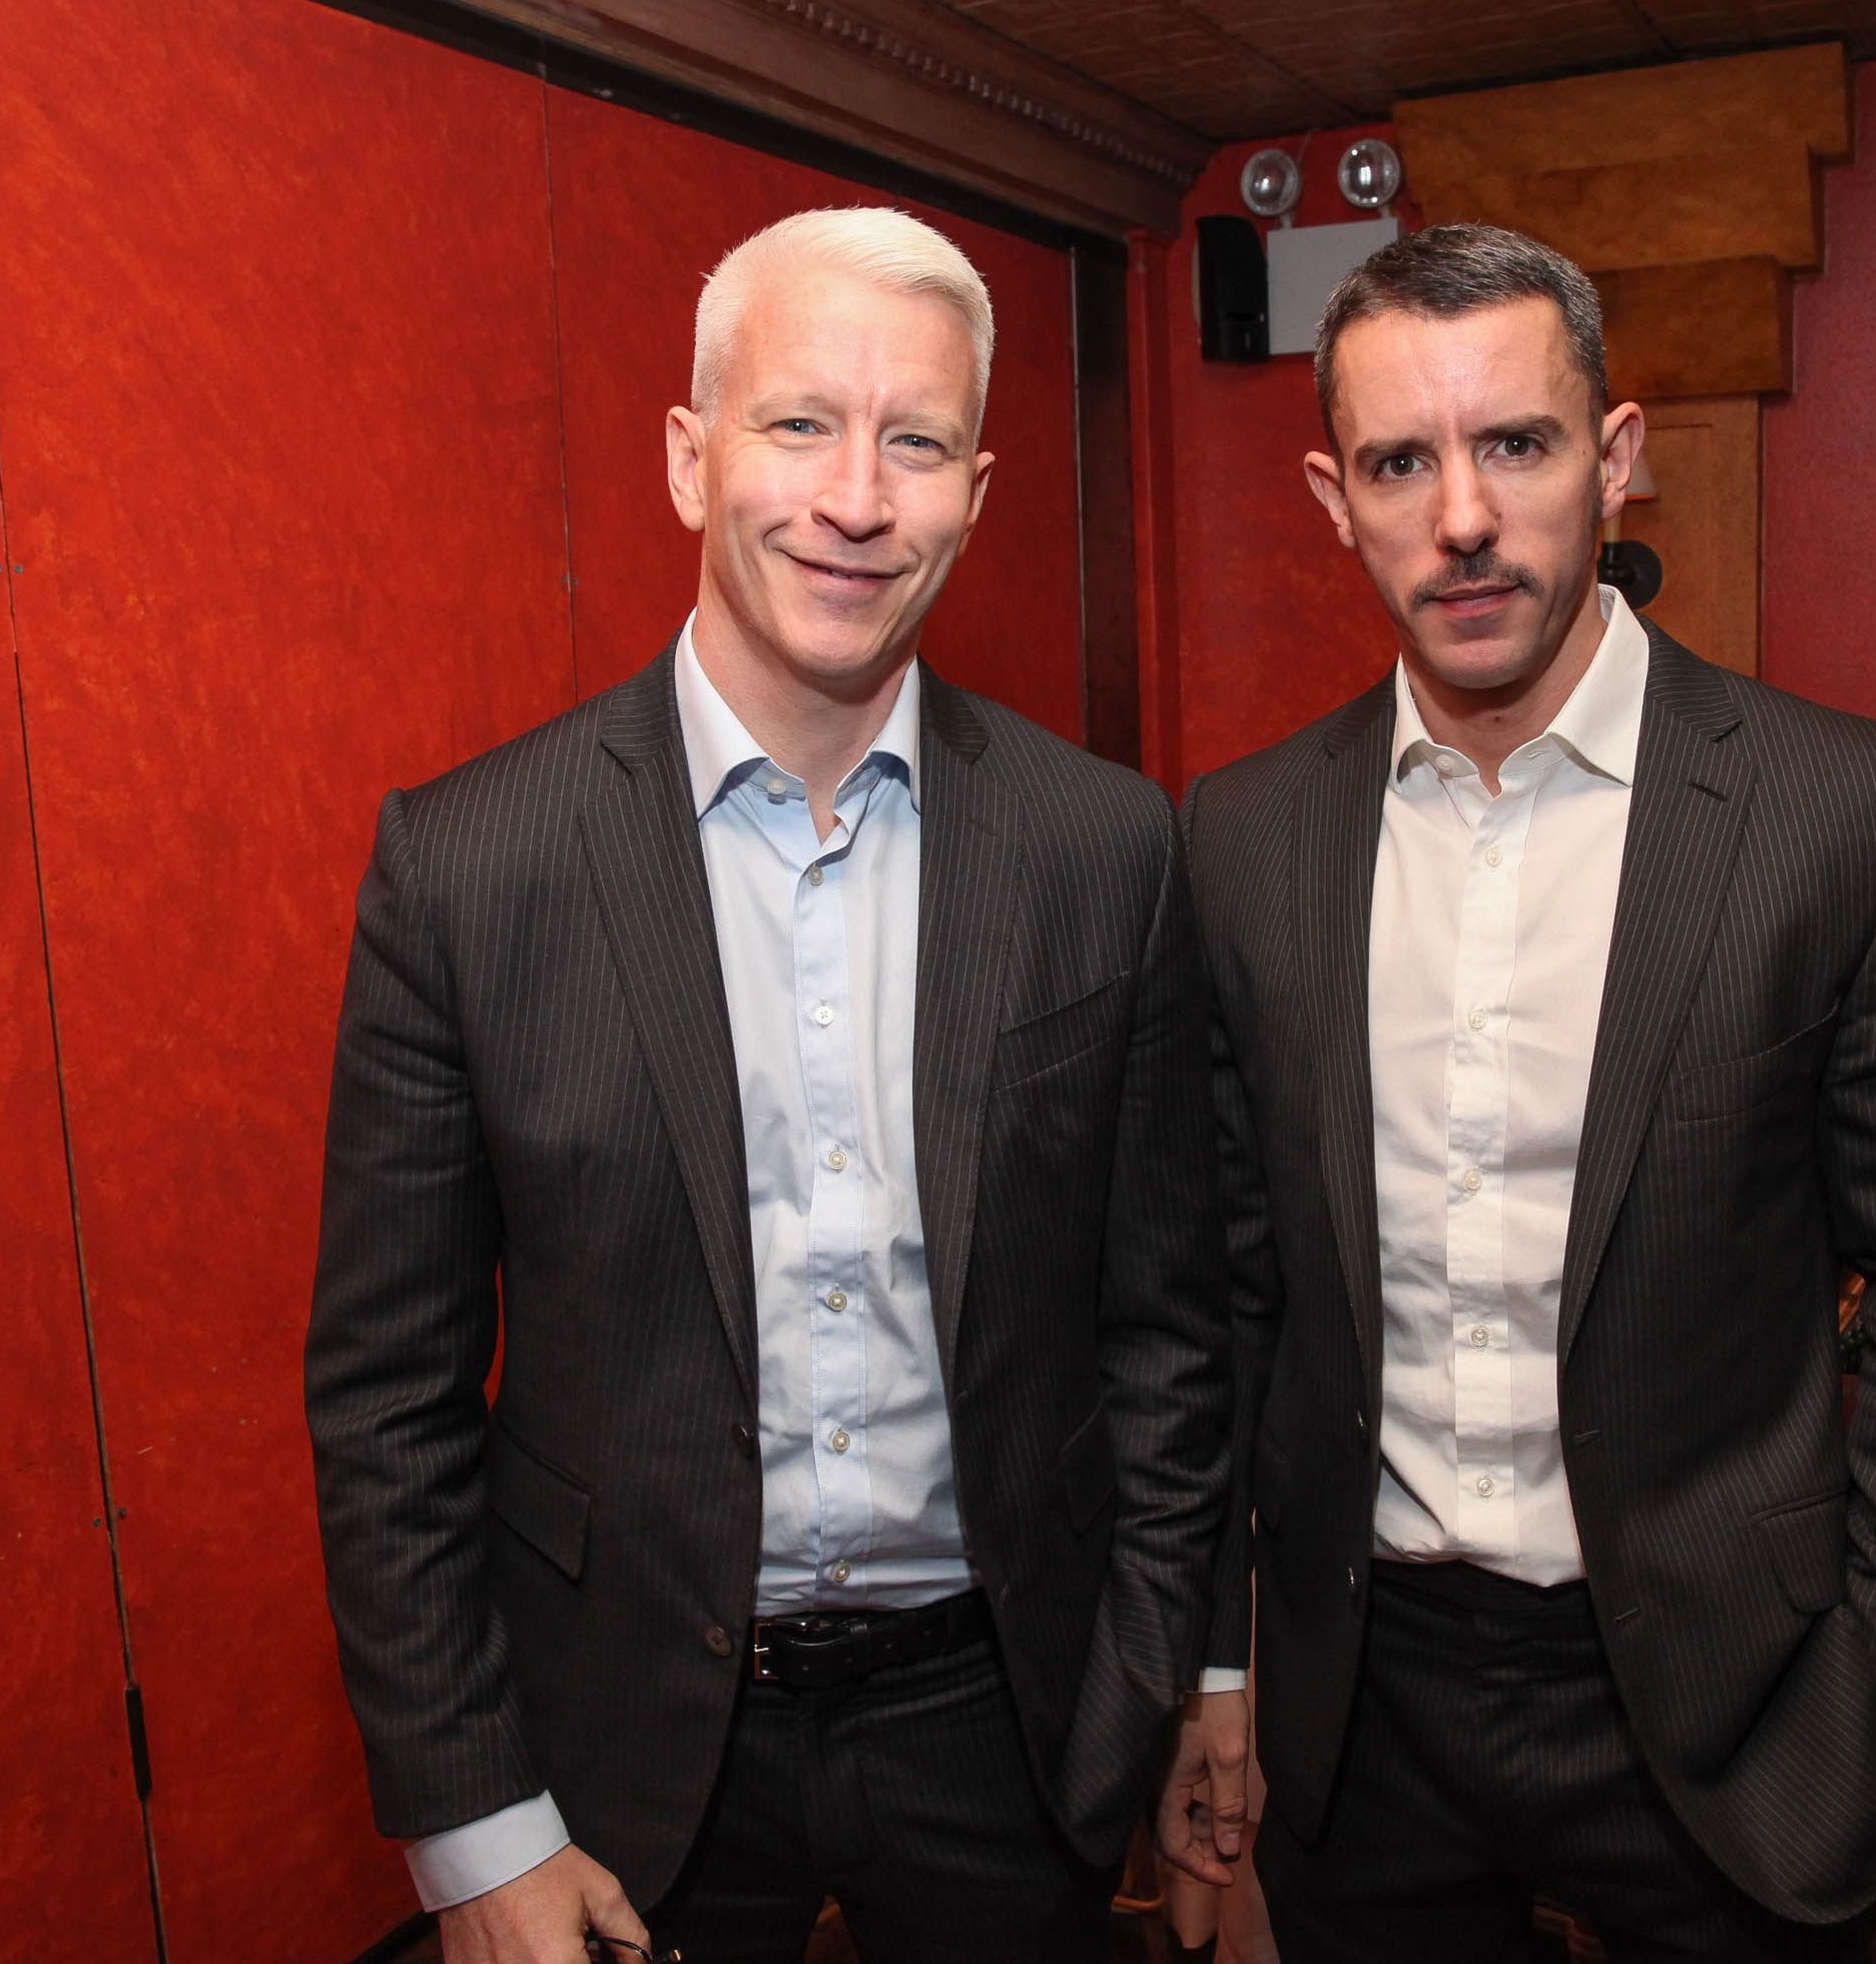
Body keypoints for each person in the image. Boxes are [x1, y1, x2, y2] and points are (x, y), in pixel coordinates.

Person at [307, 205, 1229, 1964]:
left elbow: (1165, 1326)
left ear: (979, 486)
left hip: (1003, 1720)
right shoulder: (468, 868)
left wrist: (1140, 1684)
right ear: (687, 457)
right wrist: (474, 1826)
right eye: (800, 423)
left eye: (920, 442)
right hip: (620, 1739)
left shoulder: (1103, 849)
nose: (858, 498)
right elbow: (388, 1404)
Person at [1155, 223, 1876, 1960]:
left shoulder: (1849, 819)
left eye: (1519, 445)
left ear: (1617, 460)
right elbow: (1228, 1296)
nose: (1463, 518)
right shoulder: (1244, 839)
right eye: (1403, 462)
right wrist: (1223, 1653)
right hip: (1370, 1695)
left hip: (1725, 1696)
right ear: (1336, 498)